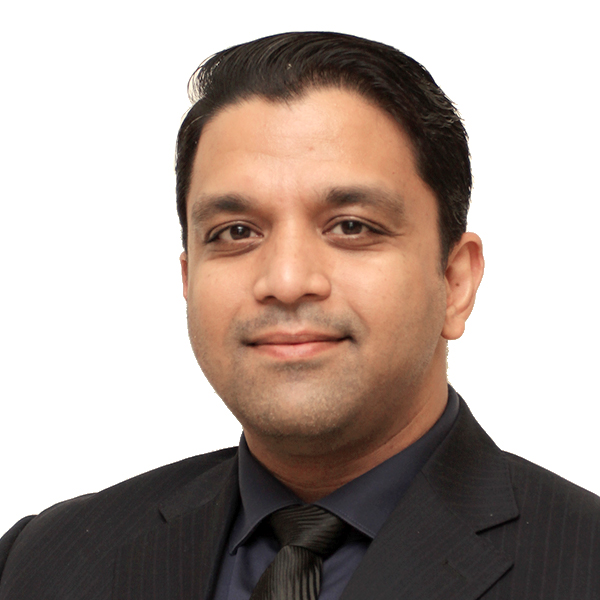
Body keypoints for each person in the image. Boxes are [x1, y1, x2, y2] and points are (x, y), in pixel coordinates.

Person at [0, 31, 598, 600]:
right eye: (236, 232)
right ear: (188, 279)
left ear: (455, 281)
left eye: (351, 227)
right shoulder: (43, 562)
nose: (286, 282)